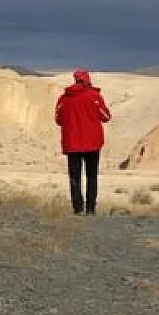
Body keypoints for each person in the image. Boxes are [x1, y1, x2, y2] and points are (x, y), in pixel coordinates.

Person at [55, 69, 112, 215]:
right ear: (87, 80)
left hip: (72, 144)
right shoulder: (94, 96)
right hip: (92, 144)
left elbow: (58, 119)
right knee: (91, 176)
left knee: (75, 177)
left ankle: (77, 209)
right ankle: (91, 209)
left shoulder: (64, 99)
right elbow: (106, 116)